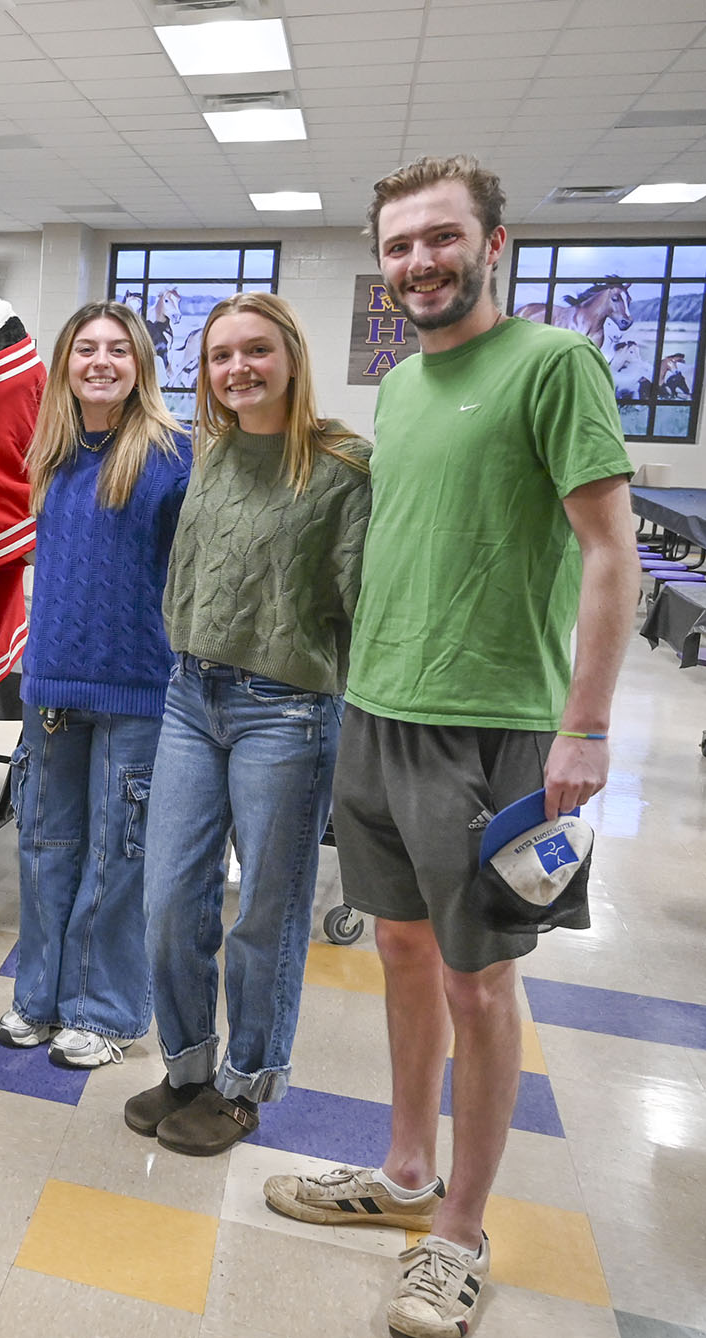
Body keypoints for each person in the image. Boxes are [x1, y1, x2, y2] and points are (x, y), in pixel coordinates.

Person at [258, 157, 635, 1338]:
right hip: (380, 714)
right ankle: (406, 1174)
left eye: (440, 238)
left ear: (495, 244)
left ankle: (461, 1234)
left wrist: (584, 727)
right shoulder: (407, 386)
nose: (418, 260)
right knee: (406, 958)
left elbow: (612, 554)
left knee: (481, 983)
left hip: (494, 727)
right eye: (400, 244)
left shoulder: (554, 366)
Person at [124, 291, 373, 1152]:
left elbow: (360, 606)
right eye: (221, 355)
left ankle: (245, 1083)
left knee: (263, 910)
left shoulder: (343, 468)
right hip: (190, 698)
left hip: (287, 712)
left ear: (293, 357)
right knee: (168, 899)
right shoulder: (212, 452)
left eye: (256, 351)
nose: (239, 369)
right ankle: (189, 1064)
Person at [0, 301, 191, 1069]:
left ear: (141, 362)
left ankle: (102, 1010)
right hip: (52, 689)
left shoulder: (175, 457)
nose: (100, 361)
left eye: (117, 349)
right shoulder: (47, 456)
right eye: (85, 349)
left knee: (119, 855)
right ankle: (38, 998)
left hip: (139, 687)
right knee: (44, 849)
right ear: (65, 365)